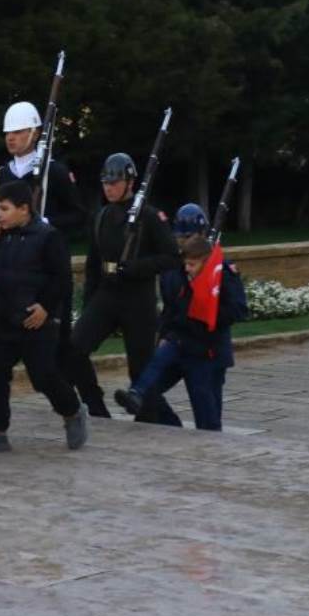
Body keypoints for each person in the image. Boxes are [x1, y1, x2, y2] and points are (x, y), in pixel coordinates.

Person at [0, 101, 104, 416]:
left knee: (63, 345)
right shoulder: (2, 174)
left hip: (49, 264)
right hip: (17, 267)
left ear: (36, 132)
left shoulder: (55, 171)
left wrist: (49, 223)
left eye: (19, 131)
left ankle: (93, 405)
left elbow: (79, 216)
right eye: (8, 133)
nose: (12, 138)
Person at [0, 180, 88, 454]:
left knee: (43, 376)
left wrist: (46, 307)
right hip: (1, 319)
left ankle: (72, 411)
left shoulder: (48, 237)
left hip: (35, 323)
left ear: (24, 209)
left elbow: (62, 280)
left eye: (4, 209)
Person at [69, 152, 183, 426]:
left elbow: (171, 257)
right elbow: (94, 264)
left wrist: (137, 267)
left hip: (138, 297)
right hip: (107, 294)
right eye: (106, 182)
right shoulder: (102, 216)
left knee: (140, 368)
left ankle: (155, 421)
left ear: (130, 182)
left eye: (115, 182)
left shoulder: (150, 216)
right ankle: (94, 406)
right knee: (73, 348)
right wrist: (88, 305)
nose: (109, 187)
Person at [114, 222, 248, 431]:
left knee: (208, 421)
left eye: (192, 264)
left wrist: (208, 312)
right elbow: (170, 308)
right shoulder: (175, 271)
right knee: (149, 387)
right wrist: (165, 335)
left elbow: (238, 310)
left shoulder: (222, 273)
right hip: (179, 341)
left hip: (206, 352)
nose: (187, 268)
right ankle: (148, 405)